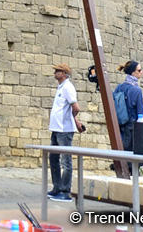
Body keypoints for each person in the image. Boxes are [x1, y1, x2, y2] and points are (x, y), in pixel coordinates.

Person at [48, 62, 84, 202]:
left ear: (64, 74)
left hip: (64, 130)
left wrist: (73, 119)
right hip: (56, 128)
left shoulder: (68, 87)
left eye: (58, 71)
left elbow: (75, 107)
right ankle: (57, 187)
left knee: (66, 161)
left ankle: (65, 190)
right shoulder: (61, 87)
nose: (55, 73)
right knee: (53, 158)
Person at [114, 59, 143, 152]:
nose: (141, 72)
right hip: (132, 128)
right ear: (133, 72)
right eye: (139, 70)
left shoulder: (119, 87)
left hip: (119, 126)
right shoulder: (137, 90)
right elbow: (140, 114)